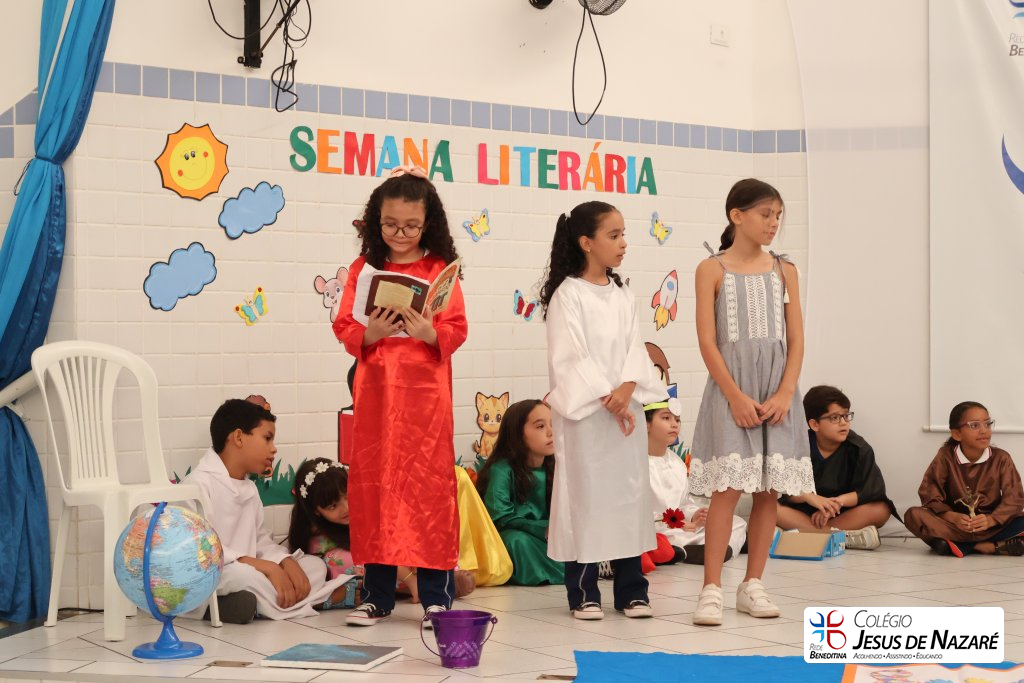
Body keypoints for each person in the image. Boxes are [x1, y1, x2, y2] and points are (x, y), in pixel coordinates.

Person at [333, 165, 467, 626]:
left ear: (429, 224)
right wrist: (369, 333)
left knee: (428, 491)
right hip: (376, 396)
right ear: (376, 221)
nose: (401, 234)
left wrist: (430, 332)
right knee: (376, 489)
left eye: (411, 226)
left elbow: (457, 328)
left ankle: (435, 599)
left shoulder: (440, 270)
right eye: (390, 225)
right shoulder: (364, 269)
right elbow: (344, 325)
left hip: (426, 401)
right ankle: (377, 596)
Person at [689, 178, 814, 626]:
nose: (773, 223)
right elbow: (708, 342)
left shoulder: (785, 270)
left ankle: (753, 585)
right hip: (732, 392)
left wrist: (785, 392)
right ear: (736, 216)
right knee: (727, 490)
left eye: (778, 215)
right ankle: (711, 588)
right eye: (765, 214)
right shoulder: (711, 269)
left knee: (768, 490)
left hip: (777, 393)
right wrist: (735, 396)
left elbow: (796, 340)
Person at [540, 201, 666, 621]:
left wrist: (626, 390)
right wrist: (606, 398)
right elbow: (570, 357)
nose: (623, 243)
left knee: (629, 499)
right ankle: (583, 591)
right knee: (586, 500)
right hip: (588, 419)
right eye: (614, 235)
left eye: (623, 234)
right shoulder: (568, 295)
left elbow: (635, 348)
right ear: (586, 242)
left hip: (624, 413)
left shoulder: (623, 294)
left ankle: (632, 591)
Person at [184, 400, 349, 623]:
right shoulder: (197, 486)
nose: (273, 448)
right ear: (239, 437)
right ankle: (293, 600)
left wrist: (285, 561)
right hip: (222, 572)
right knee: (242, 575)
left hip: (253, 572)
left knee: (315, 566)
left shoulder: (250, 489)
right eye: (267, 438)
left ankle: (253, 604)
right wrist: (267, 568)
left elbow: (260, 541)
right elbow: (199, 552)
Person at [777, 385, 895, 549]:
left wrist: (837, 503)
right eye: (834, 418)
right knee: (771, 509)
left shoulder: (859, 448)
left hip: (841, 513)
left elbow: (870, 491)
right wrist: (810, 497)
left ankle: (812, 535)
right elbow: (786, 492)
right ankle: (840, 537)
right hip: (805, 512)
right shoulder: (798, 447)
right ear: (814, 424)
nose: (843, 423)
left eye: (846, 416)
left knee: (882, 510)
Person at [904, 401, 1024, 557]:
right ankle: (984, 546)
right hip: (956, 526)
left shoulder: (1001, 458)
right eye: (974, 425)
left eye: (987, 424)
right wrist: (952, 517)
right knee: (913, 515)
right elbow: (930, 494)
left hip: (992, 526)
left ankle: (956, 545)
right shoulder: (945, 456)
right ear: (957, 434)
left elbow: (1014, 499)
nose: (984, 430)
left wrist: (991, 520)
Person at [646, 401, 746, 564]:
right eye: (666, 418)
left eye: (677, 420)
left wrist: (694, 515)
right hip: (659, 528)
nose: (674, 424)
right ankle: (698, 550)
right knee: (666, 537)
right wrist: (678, 524)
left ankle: (716, 549)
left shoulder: (676, 462)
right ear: (647, 424)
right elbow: (636, 513)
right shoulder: (637, 465)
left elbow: (684, 503)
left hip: (682, 526)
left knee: (736, 522)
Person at [477, 399, 564, 586]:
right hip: (515, 536)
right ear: (518, 433)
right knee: (517, 542)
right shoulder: (501, 469)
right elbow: (500, 518)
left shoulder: (558, 467)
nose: (551, 432)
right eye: (540, 426)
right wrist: (542, 528)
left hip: (548, 536)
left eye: (553, 424)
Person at [287, 457, 361, 609]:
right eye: (333, 506)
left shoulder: (365, 515)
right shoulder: (317, 543)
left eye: (349, 497)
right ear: (316, 510)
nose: (346, 508)